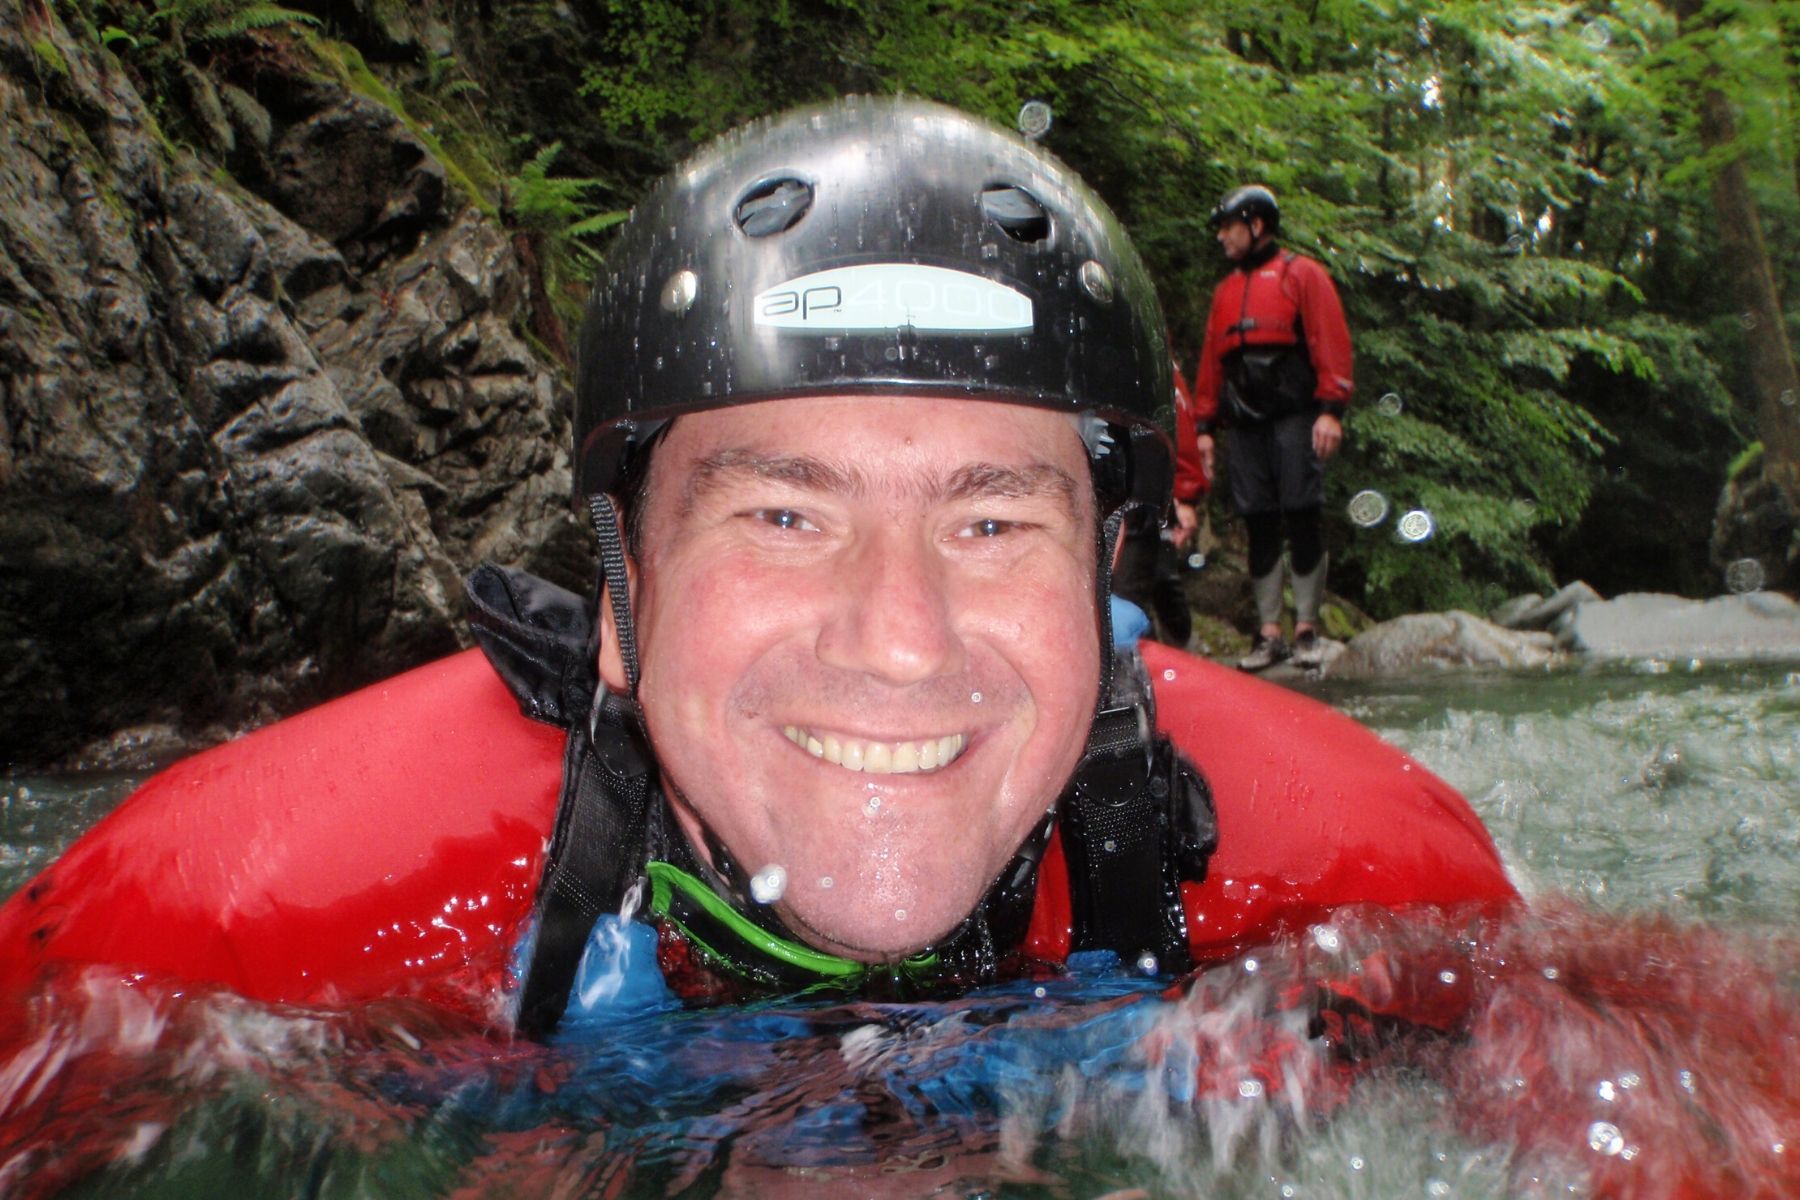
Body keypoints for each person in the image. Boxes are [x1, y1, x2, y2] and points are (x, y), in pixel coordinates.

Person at [0, 99, 1513, 1042]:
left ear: (1106, 591)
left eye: (994, 522)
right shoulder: (203, 929)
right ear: (618, 597)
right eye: (784, 516)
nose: (905, 642)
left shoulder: (1375, 888)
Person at [1189, 185, 1353, 671]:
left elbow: (1331, 343)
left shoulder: (1301, 275)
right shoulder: (1224, 292)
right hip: (1245, 423)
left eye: (1229, 226)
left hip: (1296, 415)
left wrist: (1331, 409)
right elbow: (1210, 367)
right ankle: (1269, 634)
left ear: (1256, 225)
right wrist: (1203, 425)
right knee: (1258, 519)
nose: (1222, 237)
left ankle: (1306, 628)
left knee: (1302, 510)